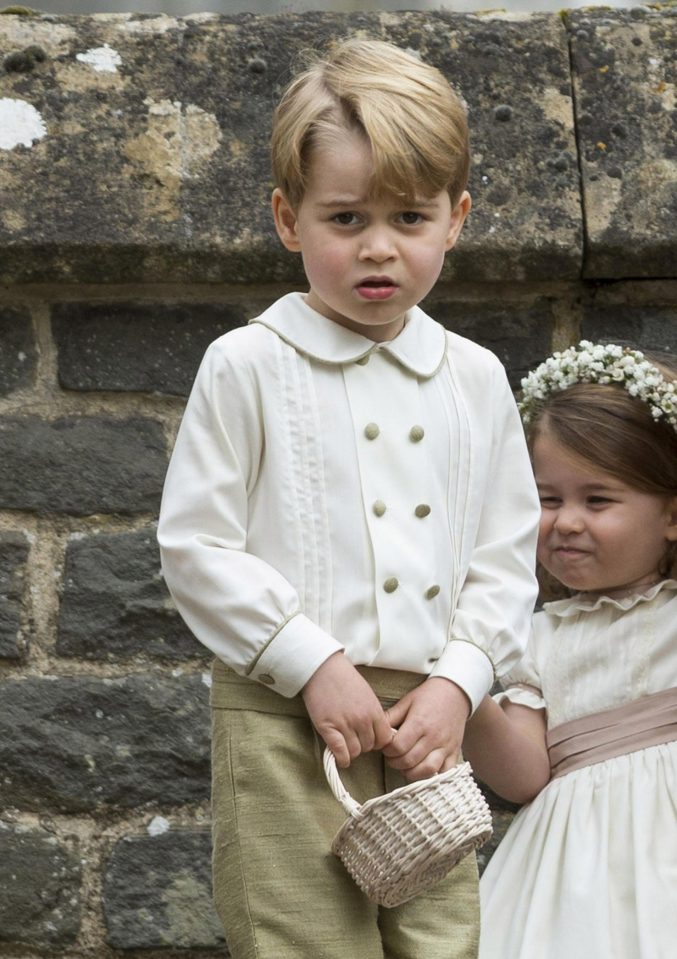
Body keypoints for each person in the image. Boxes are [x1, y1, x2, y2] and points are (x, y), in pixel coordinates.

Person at [157, 37, 540, 959]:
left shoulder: (476, 377)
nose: (379, 246)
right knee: (302, 938)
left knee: (443, 939)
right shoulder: (246, 363)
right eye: (344, 217)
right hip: (285, 718)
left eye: (409, 216)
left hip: (428, 729)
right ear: (288, 220)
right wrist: (312, 661)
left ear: (456, 219)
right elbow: (197, 545)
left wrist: (458, 681)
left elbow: (504, 554)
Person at [463, 341, 677, 959]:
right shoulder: (535, 638)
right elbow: (523, 777)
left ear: (672, 513)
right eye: (547, 500)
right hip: (570, 879)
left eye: (598, 500)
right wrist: (467, 689)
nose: (566, 522)